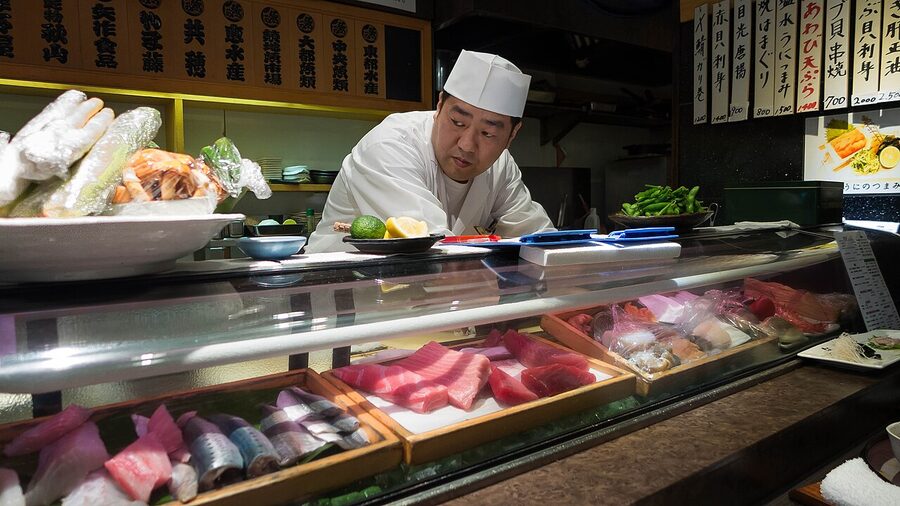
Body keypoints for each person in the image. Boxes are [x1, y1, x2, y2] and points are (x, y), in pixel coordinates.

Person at [305, 50, 555, 253]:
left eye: (488, 134)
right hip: (345, 295)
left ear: (512, 134)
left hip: (424, 293)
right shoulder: (390, 145)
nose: (467, 145)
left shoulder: (501, 166)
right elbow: (432, 245)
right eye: (457, 122)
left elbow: (540, 238)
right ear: (438, 106)